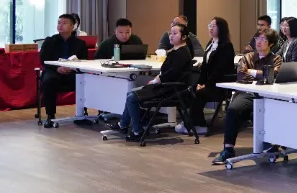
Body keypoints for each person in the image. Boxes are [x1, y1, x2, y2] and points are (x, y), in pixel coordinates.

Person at [113, 24, 195, 140]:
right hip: (166, 87)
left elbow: (170, 74)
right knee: (130, 94)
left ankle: (137, 131)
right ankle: (123, 125)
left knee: (132, 98)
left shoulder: (182, 54)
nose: (171, 36)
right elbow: (165, 72)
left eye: (175, 33)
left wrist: (156, 80)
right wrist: (156, 79)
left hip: (170, 90)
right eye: (170, 33)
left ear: (184, 37)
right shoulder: (175, 51)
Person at [212, 29, 282, 165]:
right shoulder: (247, 57)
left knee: (270, 111)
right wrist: (262, 75)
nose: (259, 42)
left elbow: (273, 76)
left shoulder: (276, 59)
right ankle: (228, 149)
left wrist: (252, 72)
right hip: (247, 93)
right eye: (257, 39)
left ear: (271, 44)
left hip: (267, 95)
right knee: (233, 109)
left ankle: (270, 144)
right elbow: (241, 76)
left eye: (263, 39)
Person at [178, 17, 236, 136]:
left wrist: (206, 85)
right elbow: (205, 68)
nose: (210, 28)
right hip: (209, 82)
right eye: (210, 25)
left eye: (214, 26)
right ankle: (189, 122)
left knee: (199, 93)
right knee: (189, 90)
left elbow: (220, 70)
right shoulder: (211, 43)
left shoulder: (226, 46)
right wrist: (199, 83)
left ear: (221, 28)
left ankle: (200, 125)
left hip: (219, 84)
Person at [39, 13, 90, 127]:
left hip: (72, 72)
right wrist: (58, 68)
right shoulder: (49, 41)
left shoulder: (80, 43)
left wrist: (72, 68)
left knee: (86, 80)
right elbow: (44, 60)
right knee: (48, 80)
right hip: (54, 71)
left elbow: (84, 61)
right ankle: (50, 116)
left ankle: (82, 114)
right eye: (59, 23)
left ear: (72, 26)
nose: (60, 25)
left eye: (64, 23)